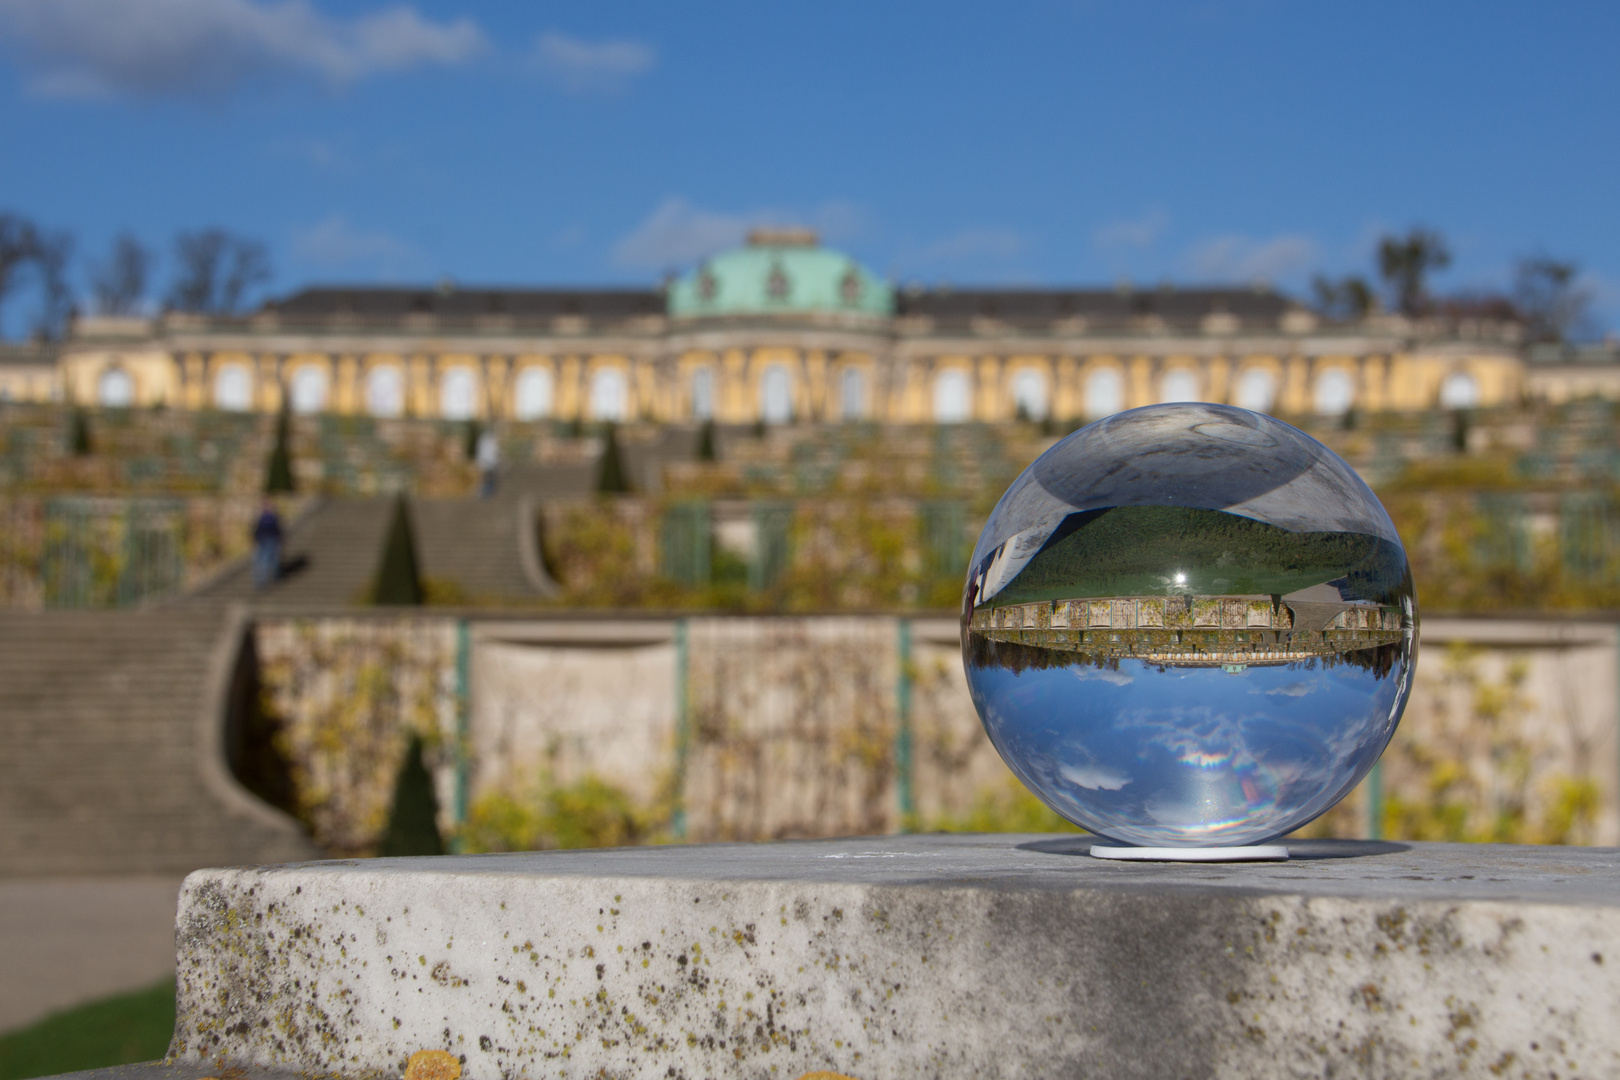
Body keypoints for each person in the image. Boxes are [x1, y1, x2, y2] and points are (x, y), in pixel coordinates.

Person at [252, 498, 283, 588]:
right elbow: (277, 529)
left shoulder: (264, 517)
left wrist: (255, 538)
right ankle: (273, 576)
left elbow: (256, 529)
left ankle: (263, 580)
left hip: (266, 540)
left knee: (264, 560)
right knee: (269, 559)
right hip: (268, 540)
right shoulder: (271, 517)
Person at [476, 428, 500, 498]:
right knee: (487, 478)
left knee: (489, 478)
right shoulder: (487, 440)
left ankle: (488, 492)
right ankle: (487, 492)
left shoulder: (487, 440)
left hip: (489, 462)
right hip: (487, 462)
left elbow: (493, 451)